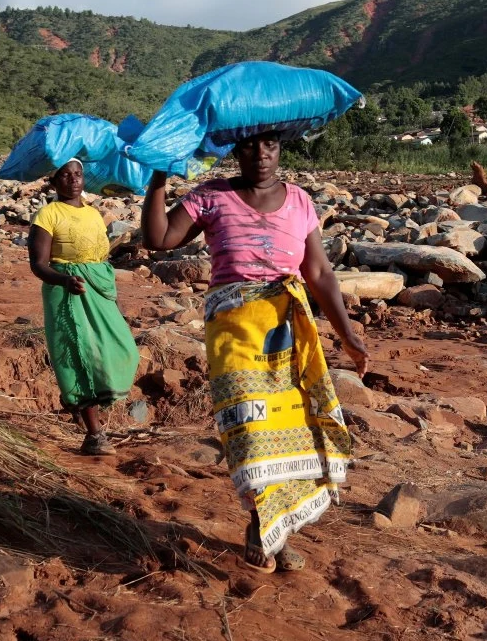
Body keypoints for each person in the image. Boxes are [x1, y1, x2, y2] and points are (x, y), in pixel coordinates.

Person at [141, 131, 368, 574]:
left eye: (270, 145)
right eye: (249, 146)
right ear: (234, 151)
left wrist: (346, 333)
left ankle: (277, 531)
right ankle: (261, 521)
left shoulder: (300, 201)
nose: (260, 155)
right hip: (234, 331)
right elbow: (160, 239)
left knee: (297, 426)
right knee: (250, 429)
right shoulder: (211, 196)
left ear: (281, 149)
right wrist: (157, 181)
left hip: (286, 329)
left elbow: (318, 271)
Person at [28, 159, 139, 456]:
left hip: (99, 289)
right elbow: (38, 264)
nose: (73, 180)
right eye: (64, 175)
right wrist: (64, 280)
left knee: (125, 349)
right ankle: (94, 434)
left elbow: (100, 256)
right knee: (79, 355)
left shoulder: (92, 213)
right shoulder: (48, 215)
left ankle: (84, 410)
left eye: (77, 174)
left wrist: (111, 294)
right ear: (54, 181)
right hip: (67, 291)